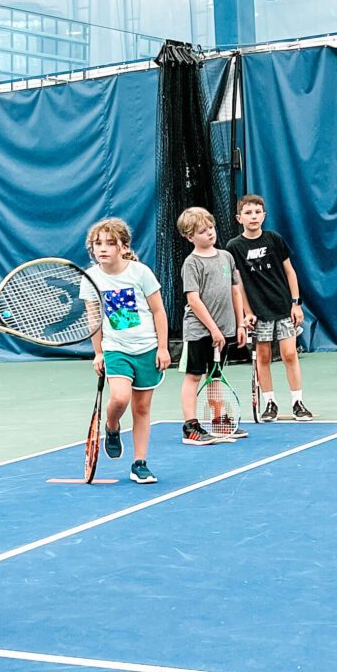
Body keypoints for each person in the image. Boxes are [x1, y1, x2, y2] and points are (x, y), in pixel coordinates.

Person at [80, 216, 170, 485]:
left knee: (142, 409)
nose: (103, 248)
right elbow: (94, 320)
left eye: (110, 243)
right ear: (92, 249)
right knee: (119, 399)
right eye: (98, 244)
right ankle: (112, 426)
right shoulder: (91, 279)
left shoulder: (140, 273)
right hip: (115, 348)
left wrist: (163, 348)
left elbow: (158, 311)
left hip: (147, 348)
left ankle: (139, 464)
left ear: (123, 247)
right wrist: (98, 353)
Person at [226, 194, 313, 421]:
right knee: (263, 358)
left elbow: (290, 272)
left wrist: (296, 304)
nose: (253, 216)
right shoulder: (234, 247)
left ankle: (297, 402)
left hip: (284, 308)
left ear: (264, 215)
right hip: (259, 312)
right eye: (248, 212)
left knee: (289, 354)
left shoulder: (274, 239)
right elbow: (238, 284)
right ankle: (270, 403)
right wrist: (248, 313)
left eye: (257, 212)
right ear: (239, 218)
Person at [177, 206, 247, 442]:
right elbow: (193, 300)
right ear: (189, 237)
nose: (210, 233)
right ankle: (191, 426)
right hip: (199, 331)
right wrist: (213, 329)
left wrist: (239, 324)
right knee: (194, 376)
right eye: (202, 231)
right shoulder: (191, 263)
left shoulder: (226, 257)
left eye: (211, 228)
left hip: (225, 329)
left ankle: (219, 420)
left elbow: (235, 290)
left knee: (215, 375)